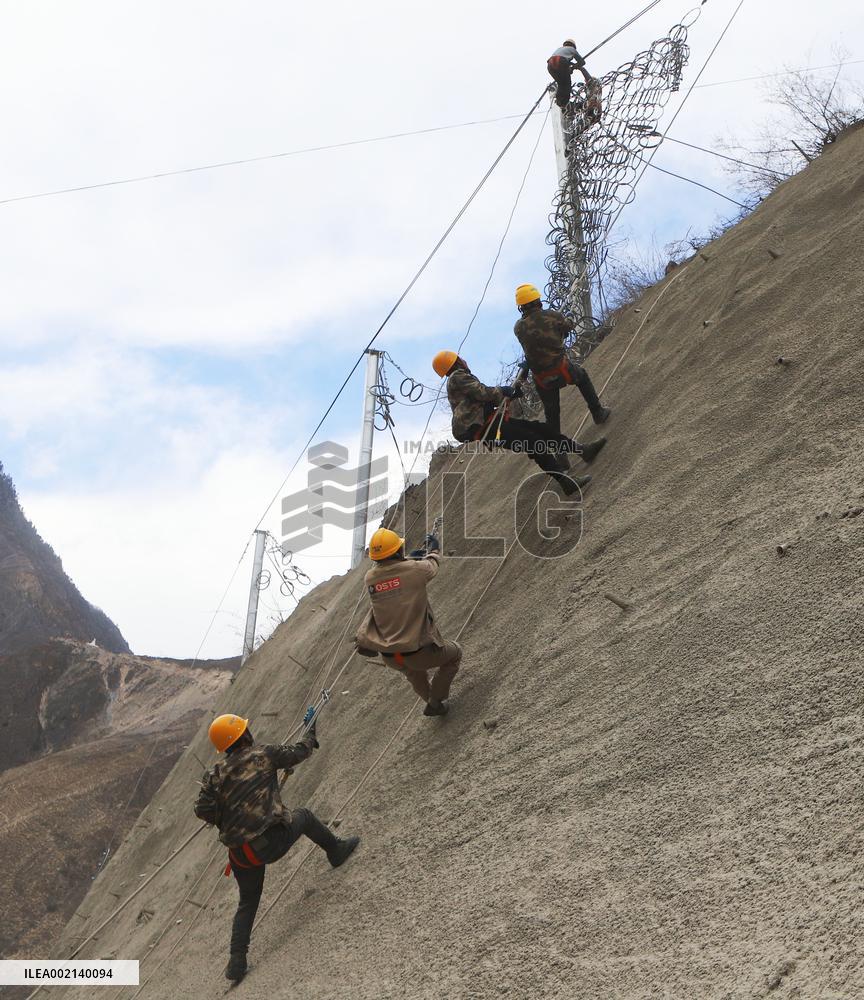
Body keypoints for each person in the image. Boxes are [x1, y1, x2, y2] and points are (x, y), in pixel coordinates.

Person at [194, 712, 360, 984]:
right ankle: (336, 851)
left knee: (248, 900)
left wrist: (227, 813)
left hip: (240, 855)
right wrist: (310, 729)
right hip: (270, 842)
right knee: (304, 816)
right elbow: (300, 752)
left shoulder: (214, 775)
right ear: (243, 736)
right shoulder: (263, 755)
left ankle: (237, 960)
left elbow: (202, 810)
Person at [431, 350, 605, 496]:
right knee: (533, 441)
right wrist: (503, 390)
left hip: (490, 423)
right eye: (460, 358)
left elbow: (487, 399)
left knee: (541, 430)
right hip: (485, 428)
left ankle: (582, 450)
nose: (464, 360)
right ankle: (565, 482)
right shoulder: (458, 376)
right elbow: (483, 393)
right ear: (456, 362)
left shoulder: (459, 380)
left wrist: (514, 390)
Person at [355, 527, 461, 716]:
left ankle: (434, 704)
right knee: (455, 654)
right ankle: (436, 699)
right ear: (398, 550)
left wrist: (409, 560)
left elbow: (393, 577)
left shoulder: (370, 578)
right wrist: (434, 550)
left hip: (391, 656)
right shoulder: (415, 569)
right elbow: (431, 566)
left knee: (414, 674)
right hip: (418, 652)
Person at [513, 284, 611, 435]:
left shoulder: (518, 328)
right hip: (561, 368)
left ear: (521, 307)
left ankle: (558, 447)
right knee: (582, 377)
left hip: (541, 378)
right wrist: (570, 317)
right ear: (538, 301)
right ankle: (598, 412)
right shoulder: (552, 316)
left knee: (551, 413)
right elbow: (567, 328)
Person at [547, 39, 584, 109]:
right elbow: (582, 62)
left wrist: (569, 68)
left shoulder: (559, 49)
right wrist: (574, 67)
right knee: (567, 84)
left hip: (550, 64)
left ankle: (559, 102)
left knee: (561, 83)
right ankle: (565, 104)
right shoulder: (572, 49)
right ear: (573, 46)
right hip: (561, 62)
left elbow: (561, 61)